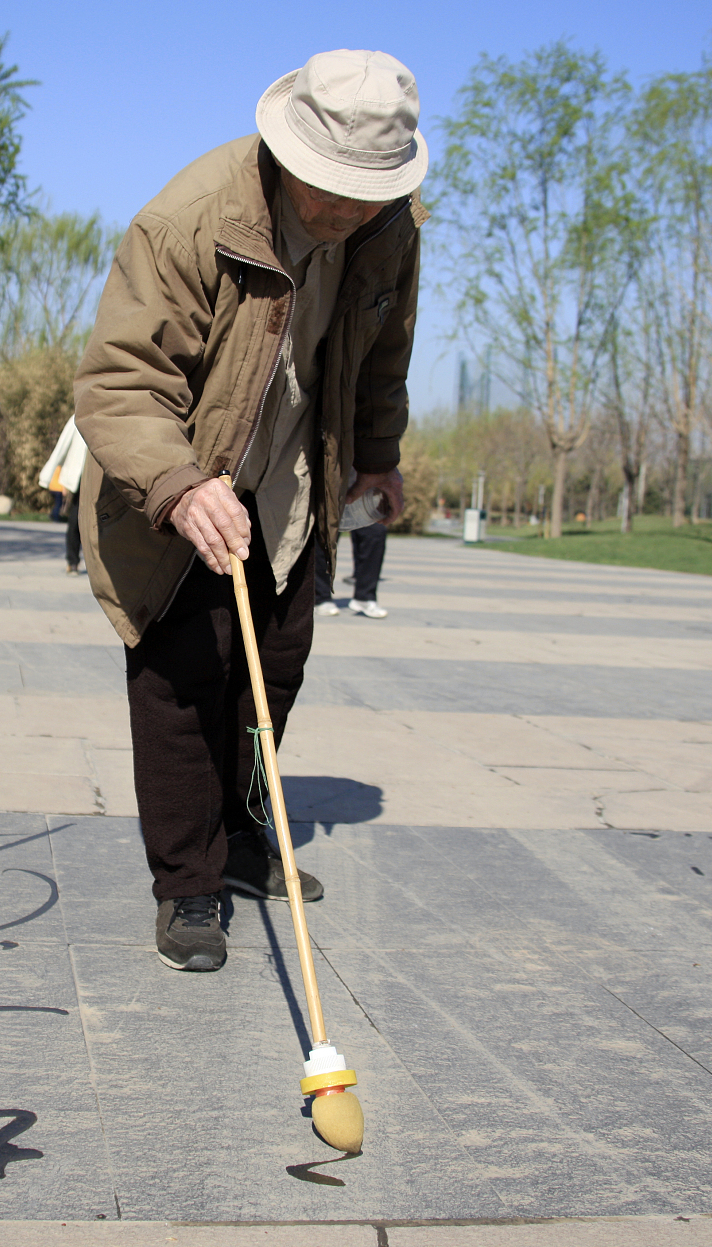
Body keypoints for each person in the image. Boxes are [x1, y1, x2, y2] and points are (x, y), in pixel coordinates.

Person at [75, 49, 424, 972]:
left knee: (274, 662)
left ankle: (236, 833)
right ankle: (189, 881)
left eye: (368, 191)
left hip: (295, 473)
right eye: (333, 189)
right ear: (289, 153)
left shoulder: (389, 227)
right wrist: (182, 486)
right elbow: (122, 381)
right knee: (186, 673)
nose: (349, 209)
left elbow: (384, 352)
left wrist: (378, 458)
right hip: (180, 473)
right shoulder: (189, 219)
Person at [39, 416, 91, 575]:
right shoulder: (80, 415)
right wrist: (47, 475)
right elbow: (62, 445)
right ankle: (73, 561)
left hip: (104, 480)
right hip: (80, 479)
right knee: (75, 521)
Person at [315, 519, 389, 618]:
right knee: (325, 533)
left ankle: (364, 597)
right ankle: (320, 598)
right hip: (331, 503)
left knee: (375, 531)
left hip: (361, 503)